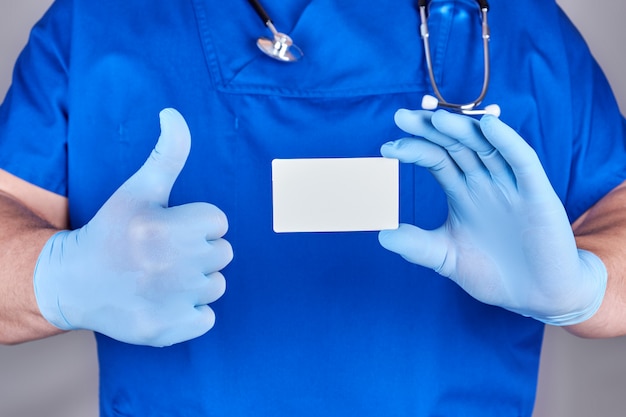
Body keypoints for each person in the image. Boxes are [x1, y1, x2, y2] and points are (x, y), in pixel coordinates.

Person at [1, 0, 626, 415]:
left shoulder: (524, 30)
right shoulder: (98, 22)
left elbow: (615, 207)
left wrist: (587, 283)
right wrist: (52, 276)